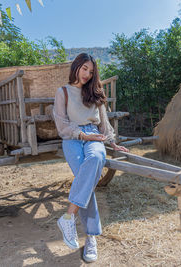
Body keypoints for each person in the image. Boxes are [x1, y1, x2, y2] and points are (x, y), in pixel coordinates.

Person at [53, 53, 129, 262]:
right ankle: (91, 238)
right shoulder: (63, 92)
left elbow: (103, 122)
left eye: (91, 71)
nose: (87, 74)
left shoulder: (96, 93)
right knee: (85, 182)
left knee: (96, 160)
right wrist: (82, 134)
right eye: (84, 69)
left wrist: (112, 142)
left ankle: (68, 217)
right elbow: (62, 125)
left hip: (95, 136)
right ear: (77, 67)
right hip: (73, 137)